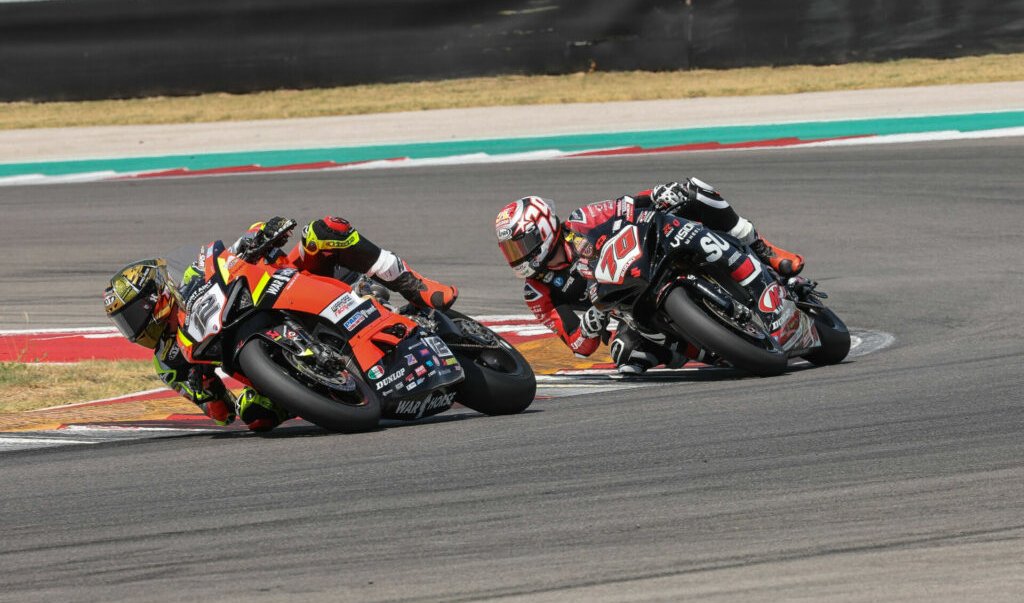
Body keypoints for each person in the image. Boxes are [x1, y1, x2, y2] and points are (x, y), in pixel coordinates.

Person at [103, 216, 457, 432]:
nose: (133, 328)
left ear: (158, 294)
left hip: (289, 285)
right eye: (124, 322)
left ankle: (416, 286)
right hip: (255, 354)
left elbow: (237, 249)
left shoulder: (194, 272)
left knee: (323, 229)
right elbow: (222, 413)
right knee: (256, 416)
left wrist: (261, 235)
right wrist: (206, 392)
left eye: (133, 314)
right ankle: (324, 384)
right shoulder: (168, 362)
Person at [495, 179, 804, 373]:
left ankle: (766, 252)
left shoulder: (583, 219)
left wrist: (659, 192)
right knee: (626, 356)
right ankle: (714, 351)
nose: (518, 255)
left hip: (654, 256)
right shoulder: (537, 291)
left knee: (694, 191)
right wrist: (589, 329)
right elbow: (579, 346)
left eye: (521, 244)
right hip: (630, 310)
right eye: (510, 249)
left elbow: (631, 205)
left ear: (545, 229)